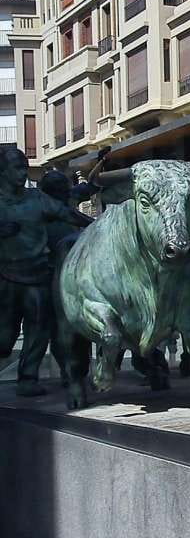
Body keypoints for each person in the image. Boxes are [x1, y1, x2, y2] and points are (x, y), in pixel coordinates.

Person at [0, 148, 92, 396]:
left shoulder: (37, 198)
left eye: (23, 167)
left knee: (38, 329)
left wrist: (98, 226)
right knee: (4, 337)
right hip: (5, 276)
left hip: (37, 274)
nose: (21, 173)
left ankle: (27, 378)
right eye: (16, 168)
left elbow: (67, 212)